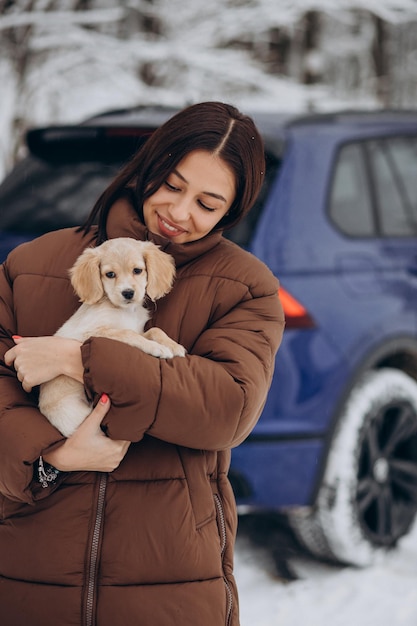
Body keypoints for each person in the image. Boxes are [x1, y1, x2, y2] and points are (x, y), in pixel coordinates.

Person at [0, 101, 285, 626]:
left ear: (232, 210)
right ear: (148, 168)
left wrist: (79, 356)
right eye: (173, 186)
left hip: (169, 586)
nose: (179, 212)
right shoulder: (31, 265)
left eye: (207, 202)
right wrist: (53, 456)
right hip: (27, 584)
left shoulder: (246, 288)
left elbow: (228, 407)